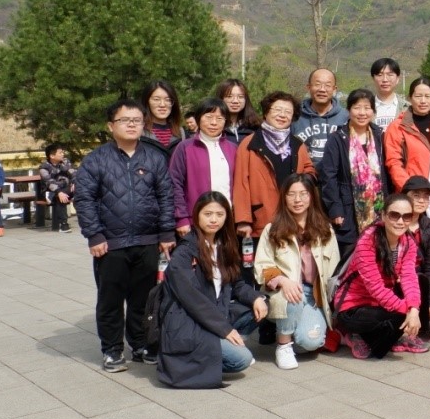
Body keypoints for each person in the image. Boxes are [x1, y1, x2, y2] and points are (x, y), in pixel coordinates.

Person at [74, 99, 175, 372]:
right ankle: (112, 349)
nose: (131, 125)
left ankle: (140, 344)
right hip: (110, 244)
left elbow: (166, 197)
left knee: (144, 299)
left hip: (148, 241)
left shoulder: (154, 158)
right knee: (111, 299)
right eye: (124, 120)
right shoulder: (96, 160)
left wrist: (166, 231)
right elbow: (84, 199)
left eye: (137, 120)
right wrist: (94, 235)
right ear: (111, 125)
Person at [157, 191, 269, 388]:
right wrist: (225, 330)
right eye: (208, 214)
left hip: (215, 314)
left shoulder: (223, 245)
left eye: (220, 214)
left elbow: (236, 284)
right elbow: (193, 301)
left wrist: (256, 298)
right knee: (242, 359)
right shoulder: (184, 253)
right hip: (191, 321)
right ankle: (214, 352)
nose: (214, 220)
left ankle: (222, 346)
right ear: (197, 215)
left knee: (262, 306)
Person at [255, 173, 340, 369]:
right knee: (292, 295)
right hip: (283, 292)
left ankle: (288, 330)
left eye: (303, 194)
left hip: (313, 296)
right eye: (291, 194)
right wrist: (283, 280)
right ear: (284, 197)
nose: (297, 200)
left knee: (310, 342)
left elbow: (333, 269)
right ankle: (283, 345)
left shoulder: (325, 229)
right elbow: (262, 265)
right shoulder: (273, 229)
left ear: (312, 196)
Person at [333, 192, 422, 359]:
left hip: (379, 306)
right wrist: (407, 311)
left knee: (379, 351)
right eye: (394, 215)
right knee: (400, 317)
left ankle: (376, 338)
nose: (400, 221)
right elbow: (376, 288)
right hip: (353, 307)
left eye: (406, 216)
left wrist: (414, 310)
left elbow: (410, 277)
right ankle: (350, 333)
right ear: (384, 216)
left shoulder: (408, 243)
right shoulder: (368, 241)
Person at [232, 91, 317, 240]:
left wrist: (307, 180)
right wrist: (243, 220)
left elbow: (309, 169)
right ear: (266, 113)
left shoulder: (298, 144)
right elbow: (241, 183)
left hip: (293, 217)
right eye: (277, 110)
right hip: (261, 218)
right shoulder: (249, 144)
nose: (282, 115)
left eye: (288, 112)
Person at [320, 88, 389, 262]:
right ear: (348, 110)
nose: (362, 113)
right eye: (357, 107)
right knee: (350, 259)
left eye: (367, 108)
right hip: (348, 209)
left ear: (373, 111)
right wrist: (335, 208)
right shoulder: (337, 139)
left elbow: (387, 172)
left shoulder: (381, 136)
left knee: (379, 256)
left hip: (379, 208)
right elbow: (328, 176)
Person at [168, 99, 237, 236]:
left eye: (219, 118)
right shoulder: (185, 147)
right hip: (195, 221)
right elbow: (175, 183)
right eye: (209, 117)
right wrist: (181, 218)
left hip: (226, 221)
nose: (214, 123)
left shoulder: (233, 149)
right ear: (198, 119)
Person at [384, 76, 430, 189]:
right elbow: (393, 162)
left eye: (427, 96)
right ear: (410, 98)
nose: (423, 101)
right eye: (418, 96)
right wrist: (409, 188)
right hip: (411, 191)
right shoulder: (397, 127)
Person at [401, 176, 430, 345]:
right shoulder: (392, 222)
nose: (421, 200)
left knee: (422, 280)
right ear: (404, 196)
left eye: (426, 196)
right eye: (416, 195)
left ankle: (418, 331)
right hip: (394, 279)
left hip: (419, 282)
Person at [293, 68, 349, 166]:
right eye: (317, 84)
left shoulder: (346, 117)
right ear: (308, 87)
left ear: (334, 89)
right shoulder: (295, 116)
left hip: (336, 173)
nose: (322, 89)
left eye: (327, 85)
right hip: (303, 173)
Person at [139, 80, 186, 161]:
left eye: (168, 100)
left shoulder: (181, 133)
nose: (162, 105)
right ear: (147, 102)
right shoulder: (138, 131)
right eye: (156, 99)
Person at [39, 143, 76, 234]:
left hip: (65, 188)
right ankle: (63, 225)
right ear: (52, 156)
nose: (63, 154)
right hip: (51, 190)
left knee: (82, 190)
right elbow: (49, 182)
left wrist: (74, 182)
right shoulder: (44, 167)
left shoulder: (65, 162)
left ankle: (88, 218)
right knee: (61, 197)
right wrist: (59, 192)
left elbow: (73, 173)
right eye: (60, 153)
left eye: (63, 152)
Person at [215, 78, 262, 145]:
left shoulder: (255, 127)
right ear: (221, 98)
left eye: (240, 97)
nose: (235, 101)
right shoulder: (213, 126)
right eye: (229, 96)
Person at [370, 57, 406, 132]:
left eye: (390, 75)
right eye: (380, 75)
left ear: (397, 79)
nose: (385, 80)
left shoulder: (407, 108)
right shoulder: (366, 108)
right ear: (373, 78)